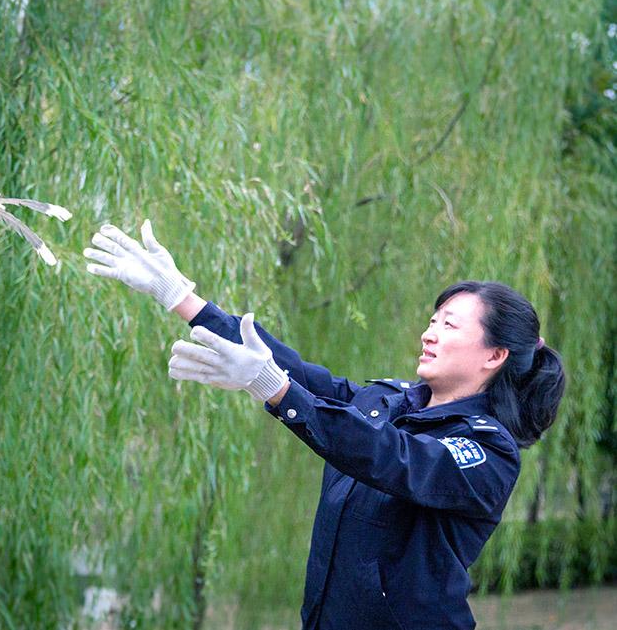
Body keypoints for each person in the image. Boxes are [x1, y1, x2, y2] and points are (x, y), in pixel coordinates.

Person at [83, 220, 566, 630]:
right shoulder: (390, 401)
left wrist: (273, 390)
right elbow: (305, 378)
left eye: (450, 325)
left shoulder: (486, 450)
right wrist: (184, 299)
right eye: (432, 320)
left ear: (495, 355)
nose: (429, 332)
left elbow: (387, 457)